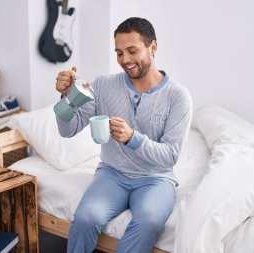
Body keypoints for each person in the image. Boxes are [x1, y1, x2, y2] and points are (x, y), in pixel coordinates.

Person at [55, 17, 192, 253]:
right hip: (112, 174)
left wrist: (132, 138)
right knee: (86, 219)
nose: (125, 60)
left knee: (148, 221)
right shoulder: (103, 85)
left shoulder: (177, 96)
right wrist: (67, 98)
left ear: (153, 47)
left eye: (132, 50)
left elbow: (170, 156)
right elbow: (68, 130)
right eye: (119, 53)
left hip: (155, 179)